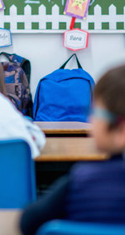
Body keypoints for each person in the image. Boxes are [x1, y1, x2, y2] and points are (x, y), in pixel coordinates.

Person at [20, 65, 125, 234]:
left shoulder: (82, 179)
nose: (90, 118)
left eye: (96, 111)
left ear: (121, 130)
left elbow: (28, 222)